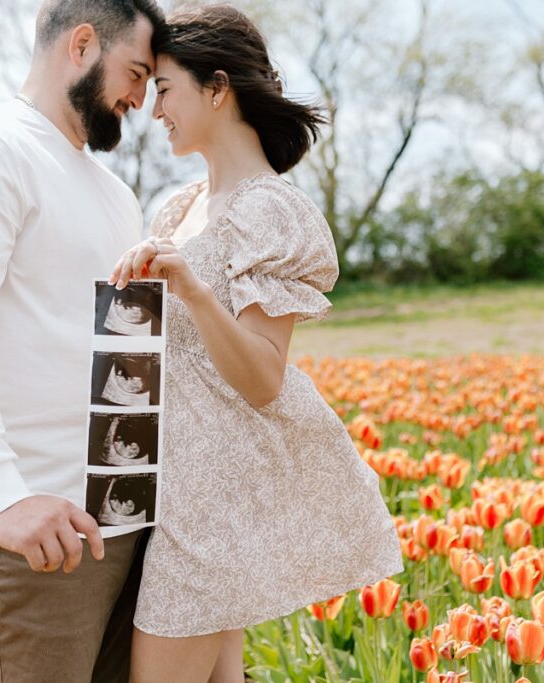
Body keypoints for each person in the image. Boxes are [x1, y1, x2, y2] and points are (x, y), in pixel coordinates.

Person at [108, 5, 403, 682]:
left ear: (217, 87)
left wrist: (192, 290)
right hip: (176, 494)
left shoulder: (270, 209)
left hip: (218, 506)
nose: (155, 111)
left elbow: (265, 378)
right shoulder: (178, 209)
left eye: (165, 88)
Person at [0, 1, 167, 681]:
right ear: (81, 44)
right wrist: (3, 498)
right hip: (28, 528)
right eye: (135, 72)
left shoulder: (115, 195)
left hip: (121, 528)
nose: (141, 98)